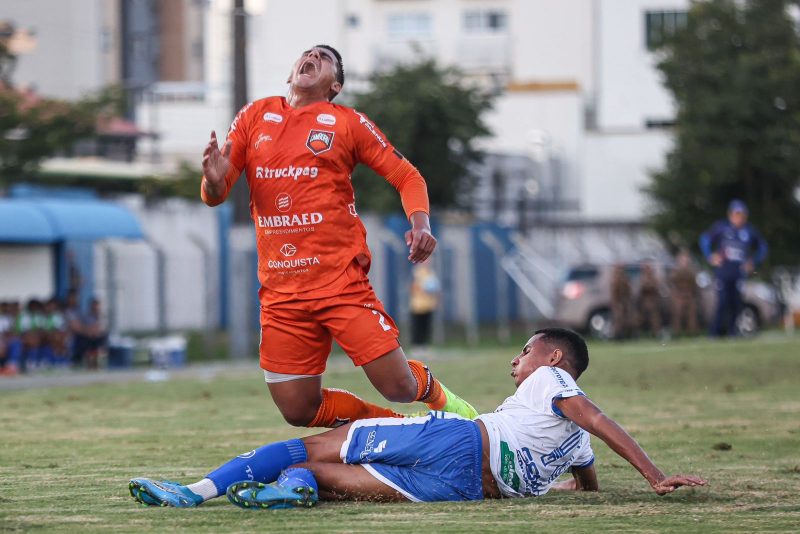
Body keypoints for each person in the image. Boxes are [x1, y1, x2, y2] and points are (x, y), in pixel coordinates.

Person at [200, 44, 475, 428]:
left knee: (397, 384)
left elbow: (407, 176)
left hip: (339, 283)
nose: (311, 57)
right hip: (281, 292)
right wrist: (213, 181)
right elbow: (216, 195)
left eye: (324, 58)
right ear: (291, 72)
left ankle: (447, 403)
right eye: (306, 53)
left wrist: (421, 225)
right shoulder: (255, 115)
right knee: (298, 410)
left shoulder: (347, 123)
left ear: (336, 86)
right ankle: (398, 425)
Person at [128, 328, 706, 508]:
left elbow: (599, 418)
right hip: (468, 491)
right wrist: (562, 484)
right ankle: (290, 497)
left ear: (554, 359)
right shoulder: (573, 443)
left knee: (310, 445)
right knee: (328, 482)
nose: (516, 359)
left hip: (457, 444)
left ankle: (192, 492)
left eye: (525, 351)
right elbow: (587, 473)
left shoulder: (554, 381)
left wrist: (654, 476)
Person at [699, 200, 768, 337]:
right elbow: (704, 239)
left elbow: (763, 247)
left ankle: (733, 332)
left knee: (736, 303)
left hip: (739, 273)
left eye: (741, 214)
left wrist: (753, 262)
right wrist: (710, 256)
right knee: (723, 302)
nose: (739, 217)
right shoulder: (722, 228)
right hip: (723, 272)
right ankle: (714, 333)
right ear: (730, 214)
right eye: (736, 214)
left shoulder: (748, 231)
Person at [409, 259, 441, 348]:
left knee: (426, 327)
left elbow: (436, 288)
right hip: (418, 305)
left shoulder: (431, 272)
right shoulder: (417, 272)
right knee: (417, 326)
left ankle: (424, 345)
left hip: (429, 304)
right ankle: (416, 346)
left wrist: (436, 301)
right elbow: (413, 287)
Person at [669, 249, 699, 336]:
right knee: (677, 313)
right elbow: (672, 281)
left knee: (692, 314)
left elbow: (694, 284)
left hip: (689, 295)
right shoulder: (676, 270)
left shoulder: (691, 270)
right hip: (678, 296)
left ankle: (692, 332)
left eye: (686, 259)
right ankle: (677, 333)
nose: (685, 261)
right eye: (683, 259)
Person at [637, 263, 663, 338]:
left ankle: (656, 334)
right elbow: (642, 288)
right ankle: (641, 334)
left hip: (653, 302)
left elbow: (655, 287)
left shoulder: (653, 277)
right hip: (643, 303)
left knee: (655, 319)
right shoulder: (642, 277)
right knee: (641, 319)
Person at [610, 264, 635, 340]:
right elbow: (614, 293)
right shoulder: (615, 279)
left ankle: (628, 334)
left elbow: (629, 291)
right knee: (618, 319)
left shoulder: (626, 279)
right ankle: (618, 336)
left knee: (627, 319)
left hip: (625, 301)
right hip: (618, 302)